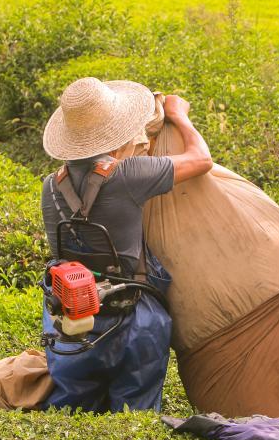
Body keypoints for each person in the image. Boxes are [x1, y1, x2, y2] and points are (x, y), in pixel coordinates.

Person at [40, 76, 212, 413]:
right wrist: (179, 116)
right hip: (132, 318)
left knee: (67, 415)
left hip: (71, 318)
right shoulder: (129, 175)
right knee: (135, 419)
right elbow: (201, 159)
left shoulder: (50, 186)